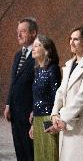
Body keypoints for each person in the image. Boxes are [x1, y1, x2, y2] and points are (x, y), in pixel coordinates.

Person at [51, 26, 83, 161]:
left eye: (76, 39)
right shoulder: (69, 64)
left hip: (82, 126)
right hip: (67, 123)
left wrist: (63, 117)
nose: (71, 42)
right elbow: (61, 91)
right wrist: (55, 114)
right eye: (70, 39)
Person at [4, 17, 38, 161]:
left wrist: (36, 110)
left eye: (23, 31)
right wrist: (8, 104)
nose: (19, 35)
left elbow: (40, 86)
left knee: (30, 153)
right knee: (20, 153)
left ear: (33, 33)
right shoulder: (18, 55)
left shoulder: (39, 55)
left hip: (29, 114)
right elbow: (14, 82)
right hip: (15, 113)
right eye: (18, 32)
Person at [27, 34, 61, 161]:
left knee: (50, 155)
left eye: (37, 45)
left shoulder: (53, 69)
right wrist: (33, 124)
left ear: (46, 50)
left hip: (48, 119)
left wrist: (53, 121)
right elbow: (37, 98)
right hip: (37, 118)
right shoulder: (38, 70)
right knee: (39, 156)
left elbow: (56, 97)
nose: (33, 48)